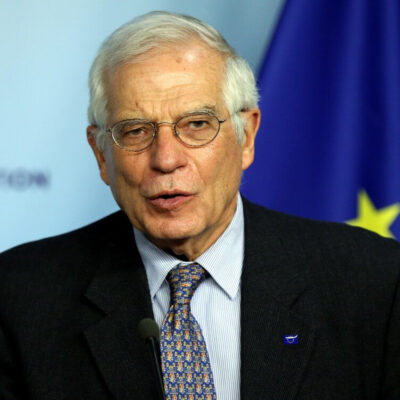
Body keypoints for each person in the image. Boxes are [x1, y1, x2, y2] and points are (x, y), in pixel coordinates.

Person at [0, 11, 399, 400]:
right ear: (101, 154)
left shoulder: (372, 280)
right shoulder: (20, 297)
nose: (166, 159)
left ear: (246, 137)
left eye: (196, 125)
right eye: (135, 131)